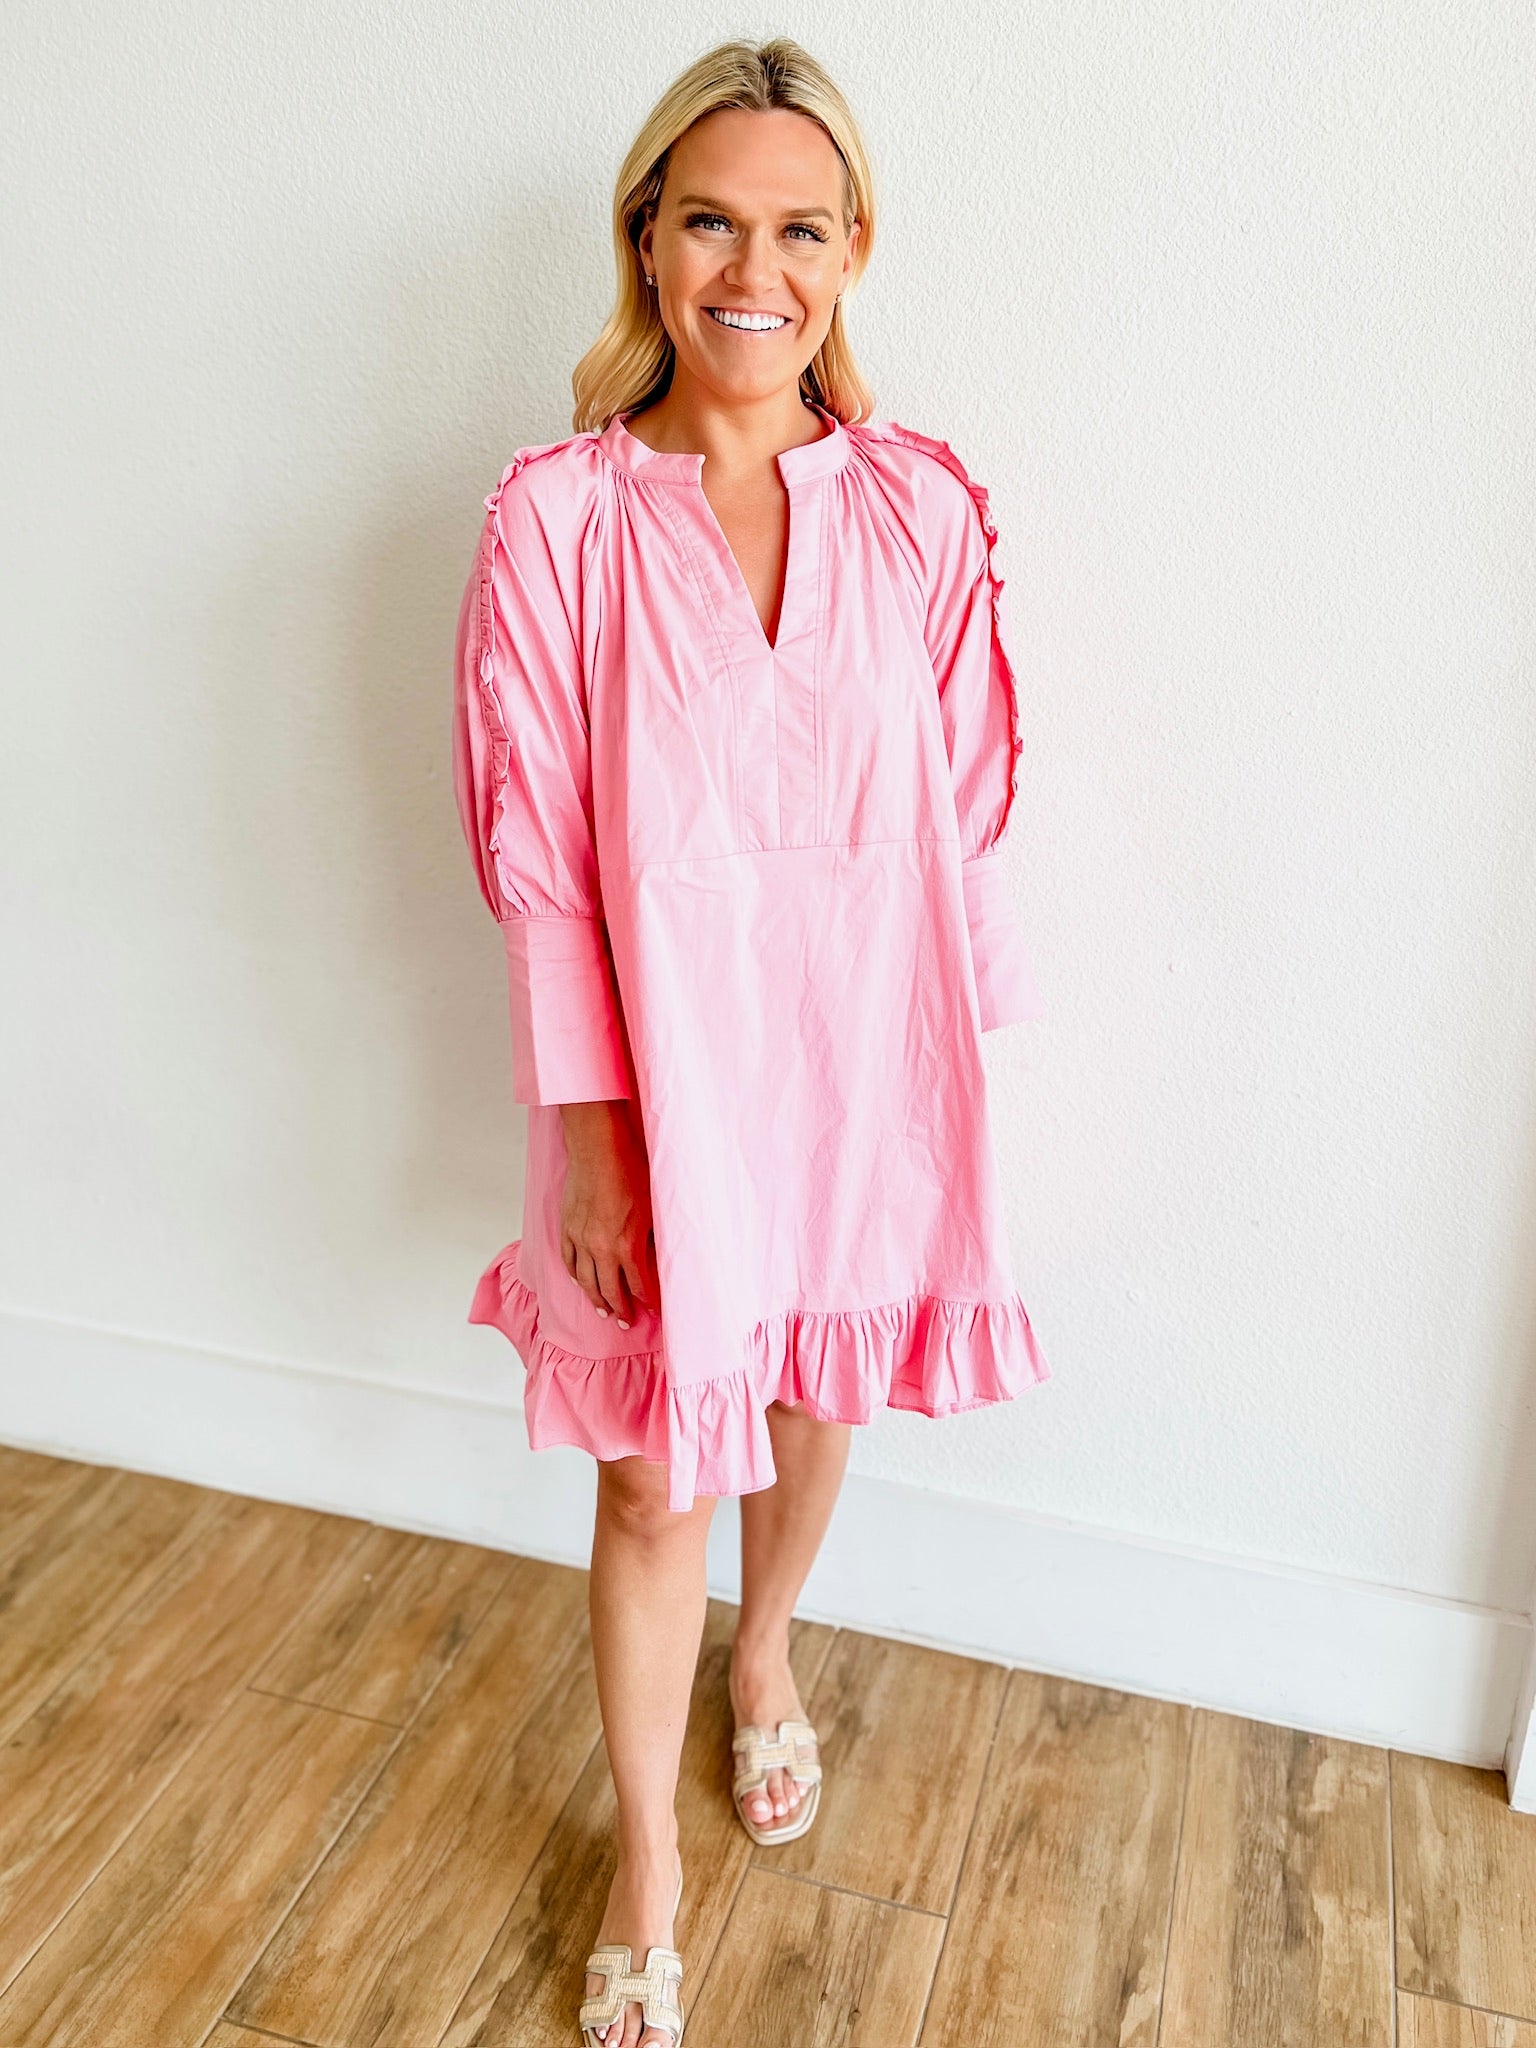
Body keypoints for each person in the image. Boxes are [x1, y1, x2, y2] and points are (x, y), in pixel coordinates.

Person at [450, 34, 1050, 2048]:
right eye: (711, 220)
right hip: (656, 1082)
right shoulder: (557, 522)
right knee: (645, 1482)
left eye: (800, 228)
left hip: (869, 1067)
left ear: (854, 248)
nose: (752, 271)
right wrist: (594, 1131)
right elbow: (539, 848)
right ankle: (648, 1855)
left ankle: (767, 1646)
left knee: (812, 1398)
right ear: (647, 236)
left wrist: (961, 1091)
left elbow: (963, 810)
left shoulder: (921, 508)